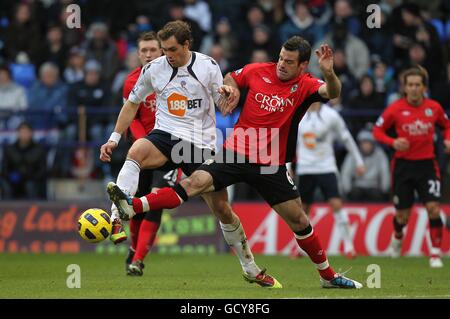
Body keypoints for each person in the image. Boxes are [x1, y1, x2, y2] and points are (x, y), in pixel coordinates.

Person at [111, 36, 363, 289]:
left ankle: (327, 275)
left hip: (270, 164)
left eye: (289, 62)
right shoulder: (257, 70)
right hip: (235, 152)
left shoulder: (306, 85)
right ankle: (132, 206)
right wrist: (231, 88)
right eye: (280, 58)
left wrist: (329, 73)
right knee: (194, 182)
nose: (281, 65)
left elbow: (332, 92)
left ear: (303, 66)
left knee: (299, 221)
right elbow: (232, 77)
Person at [100, 21, 280, 287]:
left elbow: (222, 102)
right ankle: (116, 216)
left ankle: (250, 268)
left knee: (222, 210)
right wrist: (114, 139)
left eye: (172, 49)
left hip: (200, 143)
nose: (167, 55)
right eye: (164, 50)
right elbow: (131, 105)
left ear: (187, 45)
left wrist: (229, 95)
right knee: (136, 150)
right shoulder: (153, 70)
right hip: (166, 134)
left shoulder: (207, 66)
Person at [113, 31, 183, 276]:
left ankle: (138, 259)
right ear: (138, 53)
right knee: (135, 204)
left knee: (155, 202)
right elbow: (131, 116)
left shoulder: (176, 76)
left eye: (153, 50)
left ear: (162, 50)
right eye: (144, 50)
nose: (148, 54)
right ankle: (134, 249)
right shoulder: (132, 81)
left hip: (172, 150)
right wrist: (145, 142)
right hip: (141, 153)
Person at [373, 66, 450, 268]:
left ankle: (435, 254)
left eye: (418, 85)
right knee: (402, 216)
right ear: (404, 88)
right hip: (403, 167)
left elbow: (447, 126)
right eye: (410, 85)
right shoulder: (395, 109)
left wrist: (448, 140)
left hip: (427, 165)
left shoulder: (434, 108)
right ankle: (397, 236)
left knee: (433, 208)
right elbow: (377, 130)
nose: (414, 89)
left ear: (424, 87)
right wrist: (393, 142)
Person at [293, 101, 365, 259]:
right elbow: (290, 141)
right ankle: (300, 249)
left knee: (336, 203)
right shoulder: (298, 113)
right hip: (305, 167)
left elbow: (346, 138)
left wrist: (359, 161)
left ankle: (349, 247)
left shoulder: (331, 115)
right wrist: (287, 166)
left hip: (326, 167)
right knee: (302, 210)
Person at [341, 129, 390, 202]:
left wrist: (384, 190)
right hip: (357, 186)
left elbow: (385, 172)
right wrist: (347, 190)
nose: (366, 145)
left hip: (374, 187)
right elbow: (345, 173)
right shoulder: (353, 154)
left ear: (373, 144)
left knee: (377, 196)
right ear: (360, 144)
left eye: (368, 143)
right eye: (364, 143)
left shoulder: (380, 155)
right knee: (354, 194)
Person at [1, 122, 47, 199]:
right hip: (13, 181)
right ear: (18, 133)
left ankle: (33, 209)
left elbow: (42, 170)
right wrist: (10, 176)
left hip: (32, 180)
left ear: (31, 133)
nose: (24, 135)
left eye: (26, 132)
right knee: (5, 184)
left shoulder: (39, 150)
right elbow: (4, 169)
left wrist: (29, 176)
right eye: (22, 132)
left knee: (30, 185)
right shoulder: (10, 149)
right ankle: (7, 208)